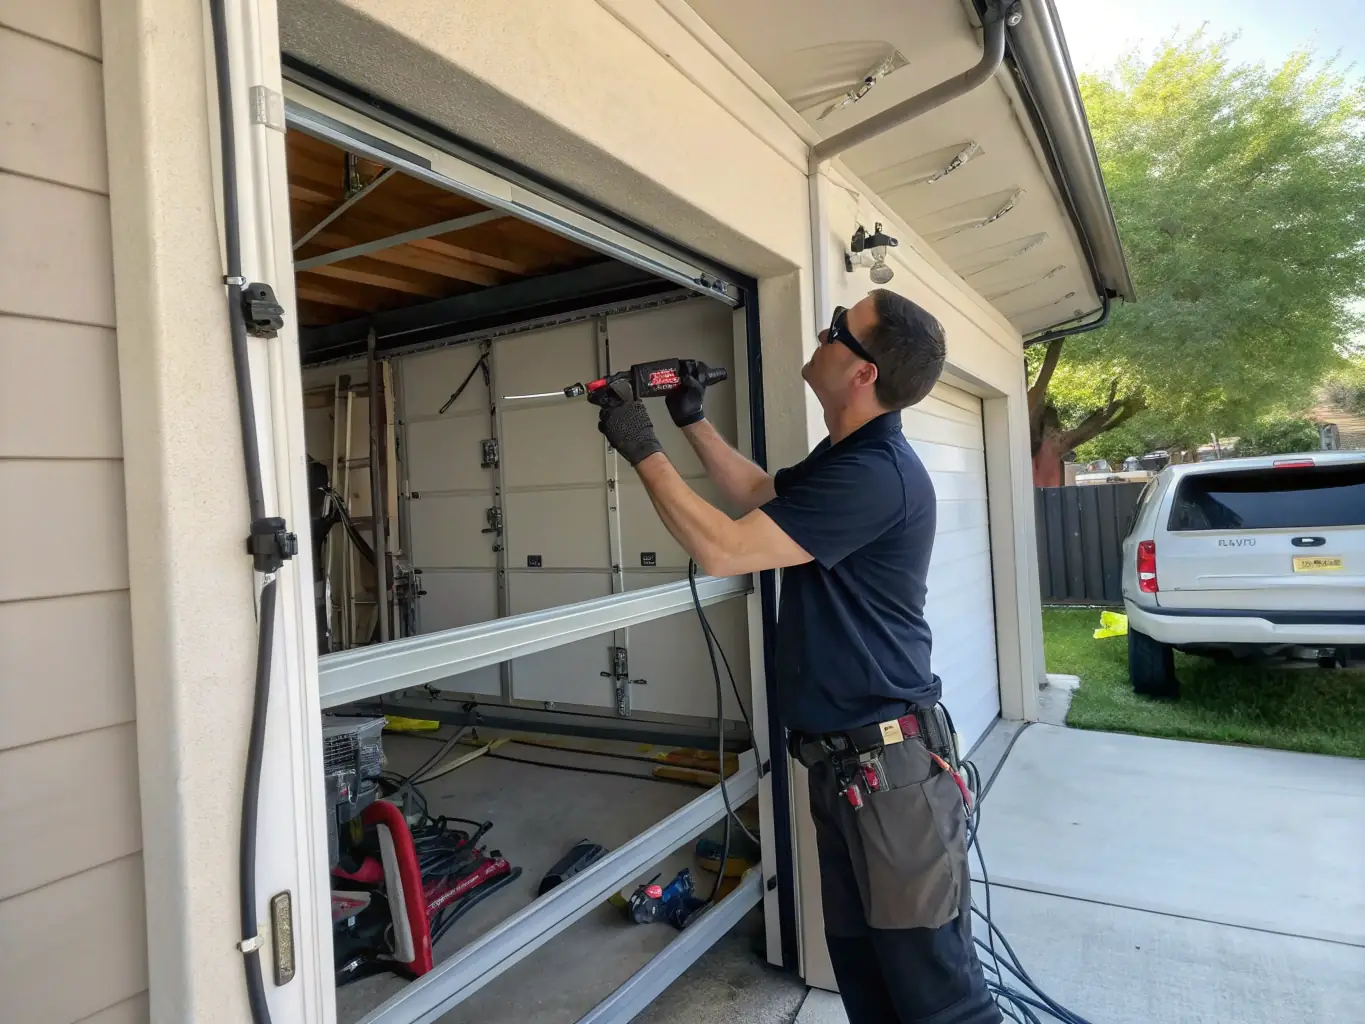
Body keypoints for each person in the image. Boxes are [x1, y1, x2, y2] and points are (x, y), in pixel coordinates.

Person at [594, 288, 1000, 1024]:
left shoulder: (877, 474)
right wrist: (689, 421)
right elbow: (754, 493)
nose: (820, 333)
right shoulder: (848, 458)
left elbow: (724, 548)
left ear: (862, 373)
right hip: (848, 770)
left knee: (936, 992)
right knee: (866, 972)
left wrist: (639, 444)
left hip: (892, 776)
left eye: (837, 330)